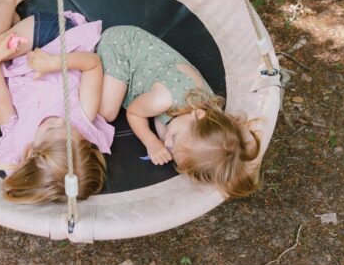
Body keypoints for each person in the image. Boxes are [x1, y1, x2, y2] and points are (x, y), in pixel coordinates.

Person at [0, 0, 113, 203]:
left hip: (20, 70)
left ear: (30, 151)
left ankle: (11, 24)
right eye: (69, 131)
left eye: (50, 131)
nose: (58, 122)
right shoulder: (83, 117)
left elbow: (3, 104)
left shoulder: (17, 143)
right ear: (84, 142)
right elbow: (92, 63)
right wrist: (53, 64)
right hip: (57, 41)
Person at [86, 25, 261, 199]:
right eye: (174, 138)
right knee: (106, 112)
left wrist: (172, 143)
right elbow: (134, 113)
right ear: (198, 115)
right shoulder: (163, 99)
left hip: (149, 62)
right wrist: (151, 141)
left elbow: (222, 148)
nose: (167, 140)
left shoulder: (206, 117)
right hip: (122, 47)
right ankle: (87, 69)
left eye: (170, 145)